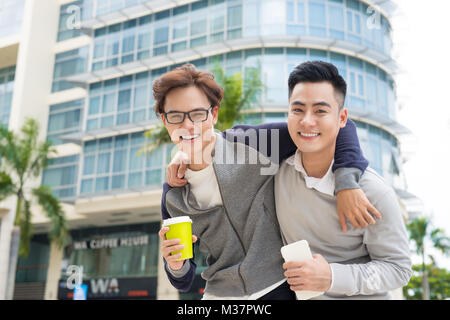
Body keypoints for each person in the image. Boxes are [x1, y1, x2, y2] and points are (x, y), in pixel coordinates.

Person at [157, 63, 378, 299]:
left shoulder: (255, 144)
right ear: (164, 121)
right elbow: (183, 280)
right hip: (220, 294)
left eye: (198, 114)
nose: (188, 125)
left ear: (213, 114)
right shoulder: (173, 192)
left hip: (281, 284)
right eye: (176, 116)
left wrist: (346, 183)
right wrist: (175, 265)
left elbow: (339, 127)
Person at [277, 61, 412, 299]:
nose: (307, 121)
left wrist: (331, 276)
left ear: (342, 118)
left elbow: (398, 269)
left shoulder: (373, 192)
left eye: (320, 111)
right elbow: (221, 145)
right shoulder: (276, 171)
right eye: (297, 110)